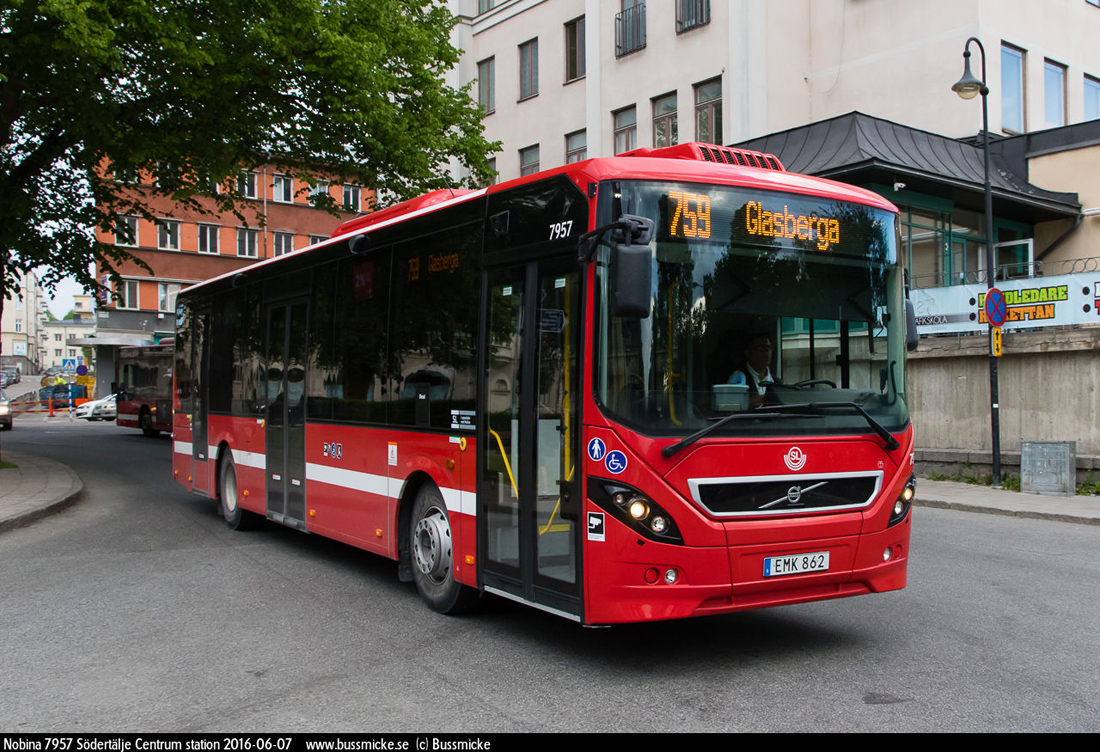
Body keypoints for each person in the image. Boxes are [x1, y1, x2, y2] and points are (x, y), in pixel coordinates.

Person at [729, 334, 779, 406]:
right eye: (760, 348)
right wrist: (764, 399)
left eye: (768, 348)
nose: (766, 352)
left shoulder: (776, 382)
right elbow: (732, 405)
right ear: (748, 353)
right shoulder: (739, 377)